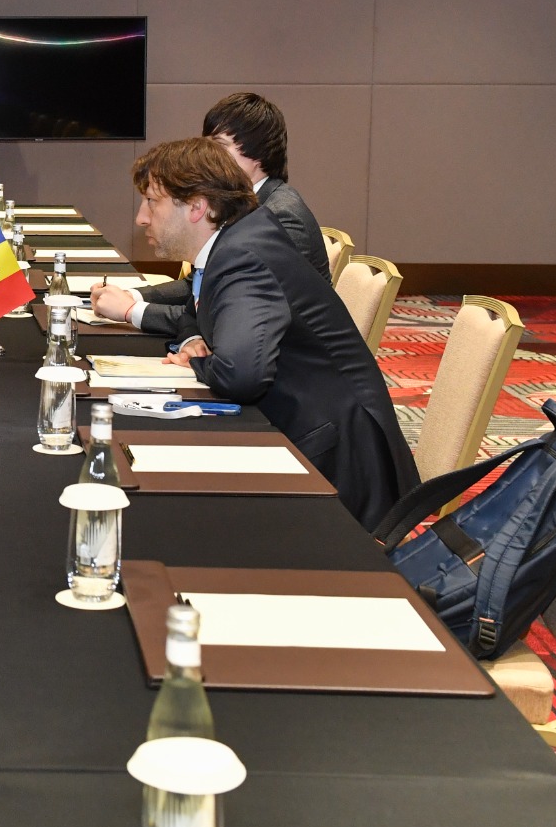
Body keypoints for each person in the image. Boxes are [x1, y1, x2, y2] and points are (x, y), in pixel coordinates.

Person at [90, 138, 417, 529]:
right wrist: (196, 341)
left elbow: (241, 375)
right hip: (308, 430)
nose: (142, 218)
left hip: (336, 462)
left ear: (196, 207)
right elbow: (198, 310)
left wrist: (200, 363)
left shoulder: (242, 257)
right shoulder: (233, 241)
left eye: (151, 202)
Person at [98, 93, 329, 337]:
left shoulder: (281, 217)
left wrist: (132, 311)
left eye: (218, 146)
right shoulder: (238, 204)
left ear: (258, 153)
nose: (207, 157)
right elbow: (201, 286)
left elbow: (242, 318)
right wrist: (132, 296)